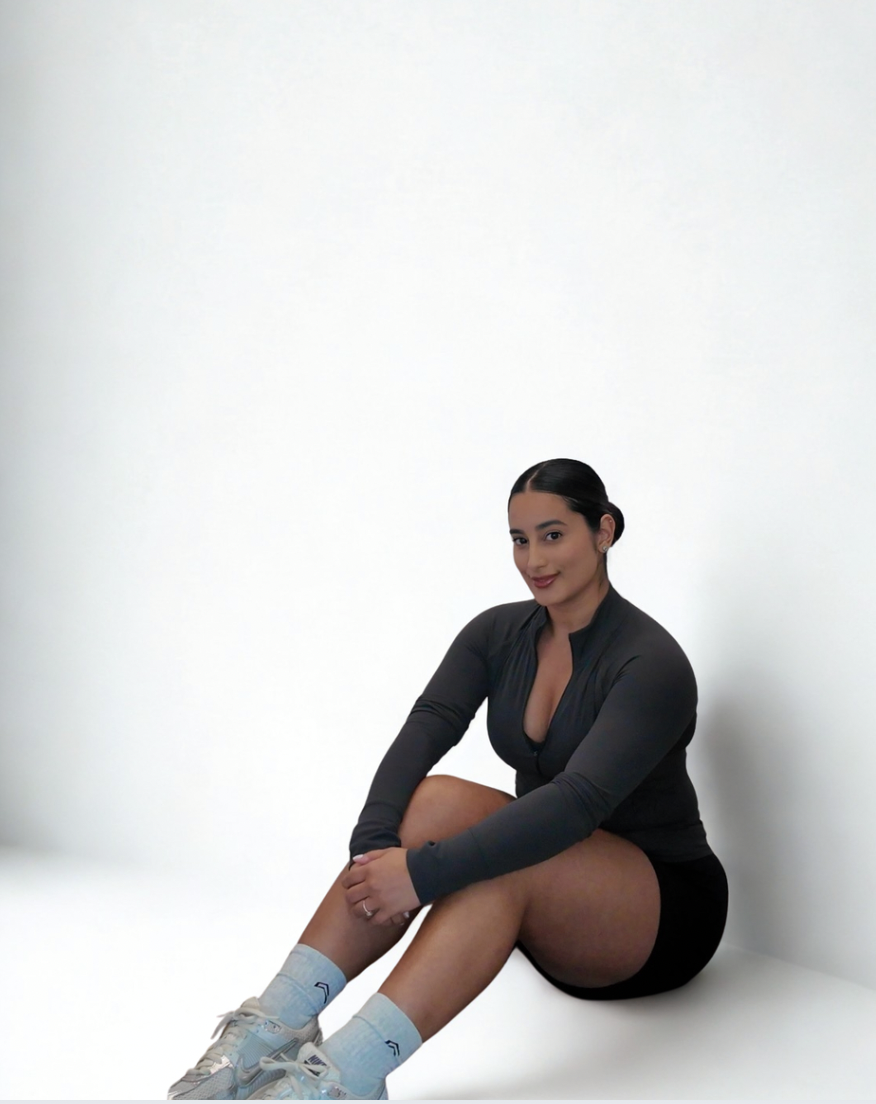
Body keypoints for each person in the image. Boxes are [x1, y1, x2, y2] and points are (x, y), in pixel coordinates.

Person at [167, 457, 728, 1101]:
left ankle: (340, 1078)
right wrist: (374, 842)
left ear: (603, 532)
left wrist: (421, 874)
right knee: (434, 798)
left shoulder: (650, 662)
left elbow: (575, 806)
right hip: (547, 897)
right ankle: (272, 1026)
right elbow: (428, 727)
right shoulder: (499, 632)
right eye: (519, 539)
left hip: (658, 915)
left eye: (553, 535)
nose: (533, 559)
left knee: (505, 862)